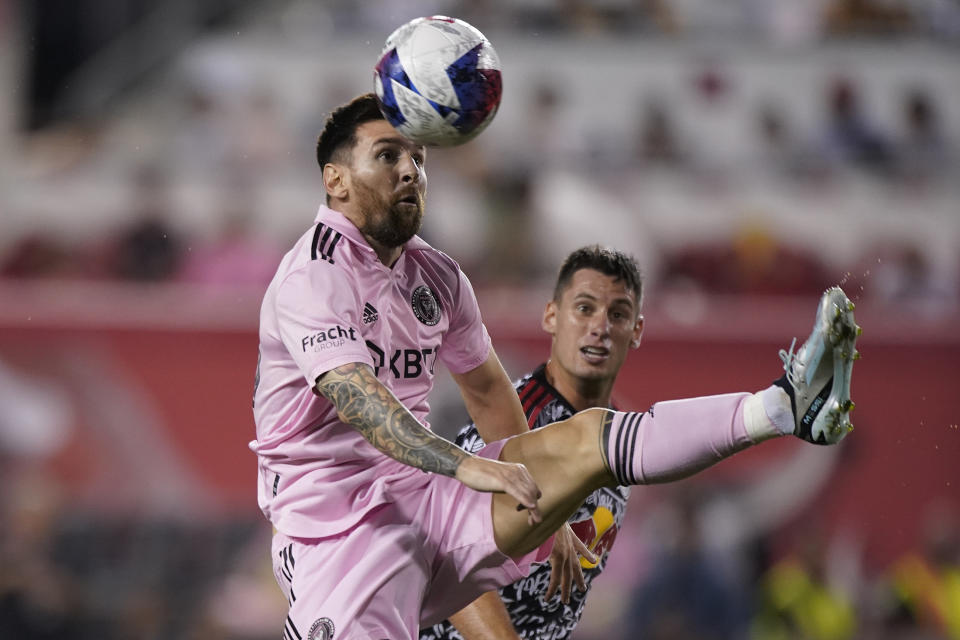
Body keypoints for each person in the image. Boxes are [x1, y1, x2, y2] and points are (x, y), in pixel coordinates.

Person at [250, 93, 861, 640]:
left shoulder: (434, 274)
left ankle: (783, 406)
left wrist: (545, 513)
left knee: (589, 440)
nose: (410, 169)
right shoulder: (313, 273)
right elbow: (362, 404)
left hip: (425, 500)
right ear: (336, 180)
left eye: (417, 157)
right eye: (387, 155)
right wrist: (466, 465)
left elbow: (488, 388)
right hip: (341, 534)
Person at [419, 245, 642, 640]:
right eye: (585, 308)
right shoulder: (517, 423)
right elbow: (445, 554)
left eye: (618, 314)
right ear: (551, 316)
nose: (600, 327)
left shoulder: (616, 441)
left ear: (636, 330)